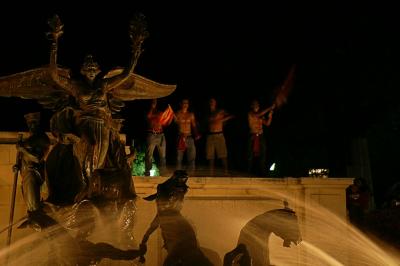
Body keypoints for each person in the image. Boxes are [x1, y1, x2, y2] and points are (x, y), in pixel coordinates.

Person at [46, 14, 149, 187]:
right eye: (88, 68)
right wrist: (54, 44)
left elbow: (126, 75)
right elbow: (55, 76)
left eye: (94, 68)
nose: (92, 70)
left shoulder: (104, 85)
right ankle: (84, 183)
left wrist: (135, 54)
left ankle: (94, 184)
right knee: (90, 147)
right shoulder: (76, 86)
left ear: (98, 70)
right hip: (84, 124)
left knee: (102, 156)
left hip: (102, 124)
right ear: (83, 71)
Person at [14, 112, 51, 229]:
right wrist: (17, 166)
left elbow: (37, 158)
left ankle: (36, 218)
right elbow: (23, 158)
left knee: (32, 198)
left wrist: (22, 149)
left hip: (33, 173)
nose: (31, 126)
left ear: (38, 123)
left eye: (33, 123)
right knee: (28, 198)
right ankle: (32, 217)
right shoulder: (29, 139)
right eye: (29, 123)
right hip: (25, 173)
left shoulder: (42, 138)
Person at [144, 99, 174, 176]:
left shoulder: (160, 112)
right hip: (151, 134)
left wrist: (171, 115)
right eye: (152, 102)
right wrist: (152, 108)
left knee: (163, 155)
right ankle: (147, 172)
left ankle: (163, 172)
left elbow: (166, 123)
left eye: (155, 102)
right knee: (149, 155)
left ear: (157, 103)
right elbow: (148, 116)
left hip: (161, 135)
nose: (154, 103)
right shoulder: (149, 111)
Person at [206, 97, 234, 175]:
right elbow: (207, 122)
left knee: (223, 155)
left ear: (215, 103)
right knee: (210, 156)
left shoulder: (220, 111)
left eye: (213, 101)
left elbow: (231, 115)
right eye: (210, 101)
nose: (211, 103)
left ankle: (226, 172)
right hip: (210, 135)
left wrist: (222, 120)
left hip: (219, 135)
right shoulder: (208, 113)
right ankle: (211, 173)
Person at [247, 100, 275, 176]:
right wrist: (269, 108)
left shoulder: (261, 115)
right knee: (250, 156)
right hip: (252, 135)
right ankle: (248, 172)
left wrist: (270, 116)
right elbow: (258, 114)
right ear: (252, 106)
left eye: (257, 104)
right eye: (254, 104)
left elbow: (267, 124)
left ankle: (262, 173)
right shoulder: (251, 113)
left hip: (261, 135)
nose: (256, 105)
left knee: (263, 155)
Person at [174, 99, 200, 172]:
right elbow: (174, 124)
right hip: (181, 137)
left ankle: (191, 175)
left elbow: (194, 126)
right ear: (181, 104)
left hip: (189, 137)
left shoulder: (191, 114)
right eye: (184, 103)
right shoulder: (177, 114)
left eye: (187, 103)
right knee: (179, 158)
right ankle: (178, 175)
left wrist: (196, 134)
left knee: (192, 158)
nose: (185, 104)